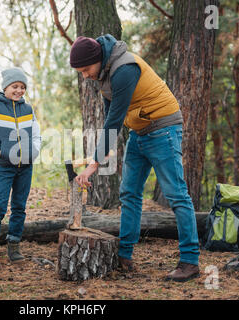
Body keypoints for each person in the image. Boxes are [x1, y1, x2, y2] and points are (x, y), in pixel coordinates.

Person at [69, 34, 200, 282]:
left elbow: (115, 120)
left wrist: (92, 165)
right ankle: (124, 255)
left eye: (85, 70)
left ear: (97, 59)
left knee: (177, 195)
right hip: (140, 131)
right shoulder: (103, 74)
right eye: (80, 71)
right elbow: (110, 117)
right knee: (129, 193)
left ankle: (190, 262)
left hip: (164, 129)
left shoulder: (124, 69)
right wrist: (101, 154)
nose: (85, 75)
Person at [0, 67, 41, 269]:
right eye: (15, 86)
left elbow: (37, 135)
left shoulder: (28, 109)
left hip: (26, 167)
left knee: (19, 208)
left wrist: (35, 151)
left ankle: (14, 246)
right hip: (5, 166)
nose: (19, 91)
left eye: (22, 87)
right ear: (6, 87)